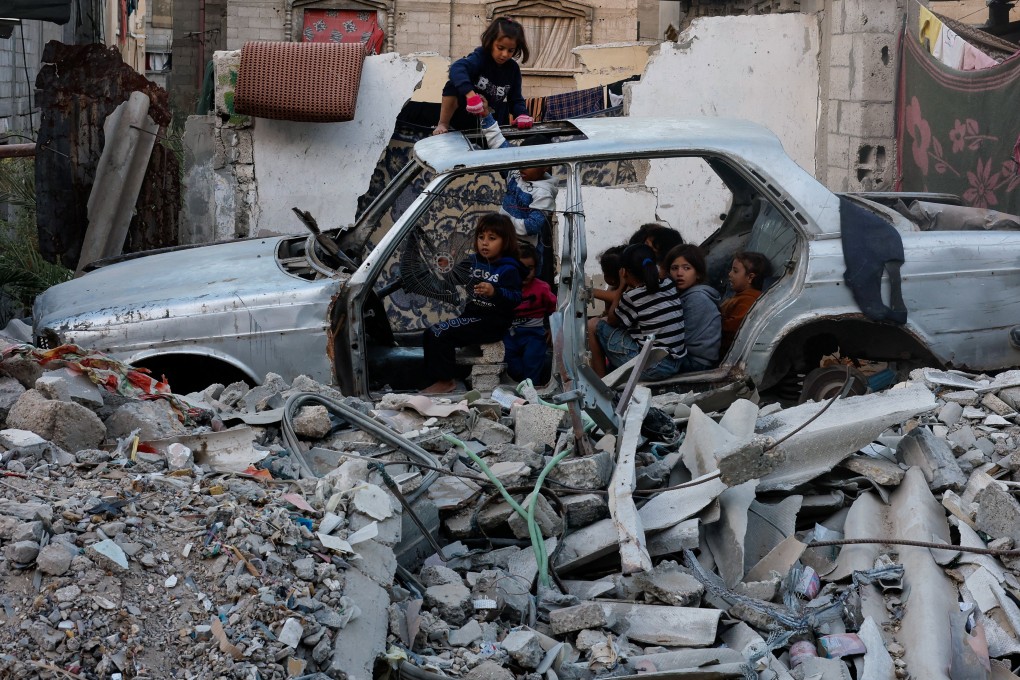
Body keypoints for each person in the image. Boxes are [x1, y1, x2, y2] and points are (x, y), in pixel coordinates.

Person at [422, 213, 525, 394]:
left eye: (492, 238)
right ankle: (437, 380)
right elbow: (452, 278)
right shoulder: (473, 261)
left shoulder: (509, 268)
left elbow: (516, 297)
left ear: (505, 241)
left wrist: (495, 292)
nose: (484, 243)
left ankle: (446, 381)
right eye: (481, 237)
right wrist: (446, 266)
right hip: (472, 317)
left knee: (438, 334)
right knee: (430, 334)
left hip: (491, 323)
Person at [586, 243, 700, 381]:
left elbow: (611, 320)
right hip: (676, 362)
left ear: (624, 272)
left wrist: (621, 287)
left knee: (592, 325)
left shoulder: (632, 296)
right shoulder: (668, 284)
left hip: (655, 368)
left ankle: (601, 382)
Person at [480, 109, 557, 277]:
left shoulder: (544, 193)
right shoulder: (515, 173)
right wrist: (486, 116)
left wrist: (503, 224)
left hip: (524, 254)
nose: (522, 166)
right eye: (521, 161)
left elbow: (532, 225)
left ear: (546, 166)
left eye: (528, 164)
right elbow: (499, 145)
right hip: (504, 244)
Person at [433, 17, 532, 135]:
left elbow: (516, 99)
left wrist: (522, 115)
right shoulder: (481, 57)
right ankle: (443, 123)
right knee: (452, 86)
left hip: (487, 123)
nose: (505, 54)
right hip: (459, 121)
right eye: (500, 48)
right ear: (490, 42)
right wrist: (471, 96)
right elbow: (456, 68)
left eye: (510, 50)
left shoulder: (513, 69)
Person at [504, 243, 557, 384]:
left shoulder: (542, 288)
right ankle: (523, 383)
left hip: (534, 333)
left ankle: (532, 390)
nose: (525, 273)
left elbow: (556, 309)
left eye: (530, 268)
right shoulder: (505, 286)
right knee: (509, 360)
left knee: (532, 360)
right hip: (510, 333)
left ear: (536, 268)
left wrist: (553, 329)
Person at [665, 243, 721, 369]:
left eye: (686, 268)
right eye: (674, 268)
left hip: (696, 362)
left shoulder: (697, 298)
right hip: (686, 357)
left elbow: (680, 340)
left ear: (698, 274)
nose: (679, 273)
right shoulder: (684, 295)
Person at [720, 251, 772, 354]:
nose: (729, 274)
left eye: (735, 271)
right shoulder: (740, 295)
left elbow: (731, 329)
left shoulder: (749, 301)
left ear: (750, 277)